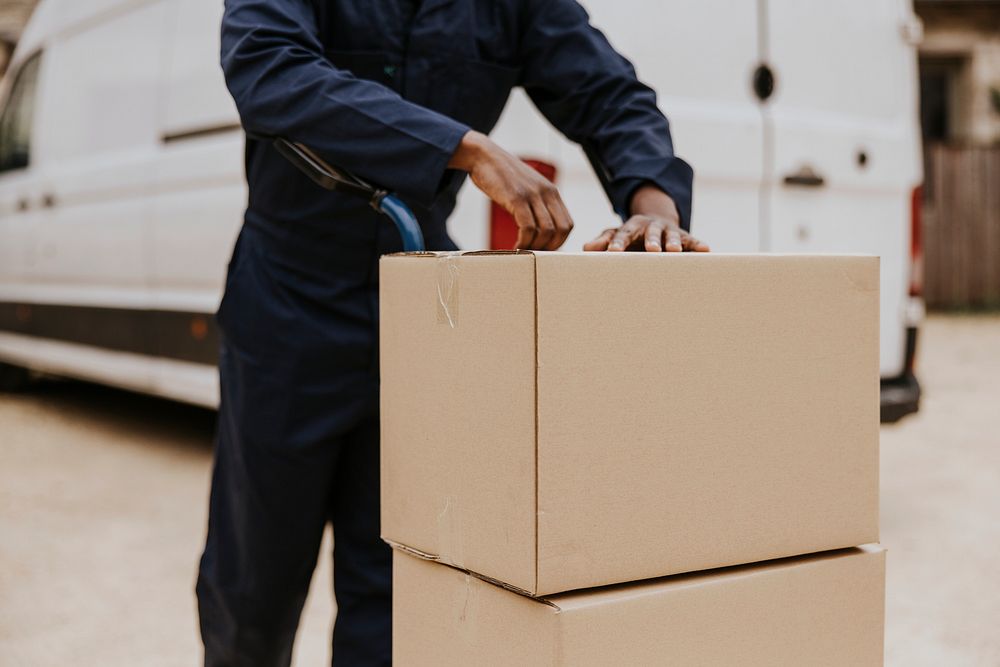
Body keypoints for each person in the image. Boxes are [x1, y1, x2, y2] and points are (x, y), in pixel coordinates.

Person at [197, 0, 709, 665]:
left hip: (425, 307)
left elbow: (608, 91)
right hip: (289, 298)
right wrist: (464, 148)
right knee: (252, 586)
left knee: (401, 584)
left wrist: (652, 199)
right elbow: (269, 68)